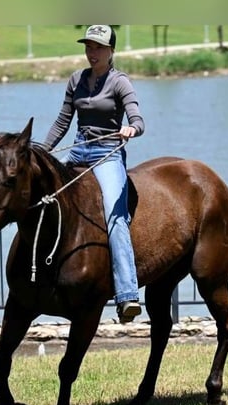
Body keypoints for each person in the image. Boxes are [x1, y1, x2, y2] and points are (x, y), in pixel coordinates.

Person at [42, 24, 145, 324]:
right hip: (78, 151)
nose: (92, 52)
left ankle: (127, 296)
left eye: (98, 47)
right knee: (46, 199)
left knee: (115, 217)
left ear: (111, 50)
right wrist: (40, 150)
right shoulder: (76, 80)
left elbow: (138, 118)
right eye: (88, 46)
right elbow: (62, 122)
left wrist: (131, 128)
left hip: (108, 153)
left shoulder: (120, 82)